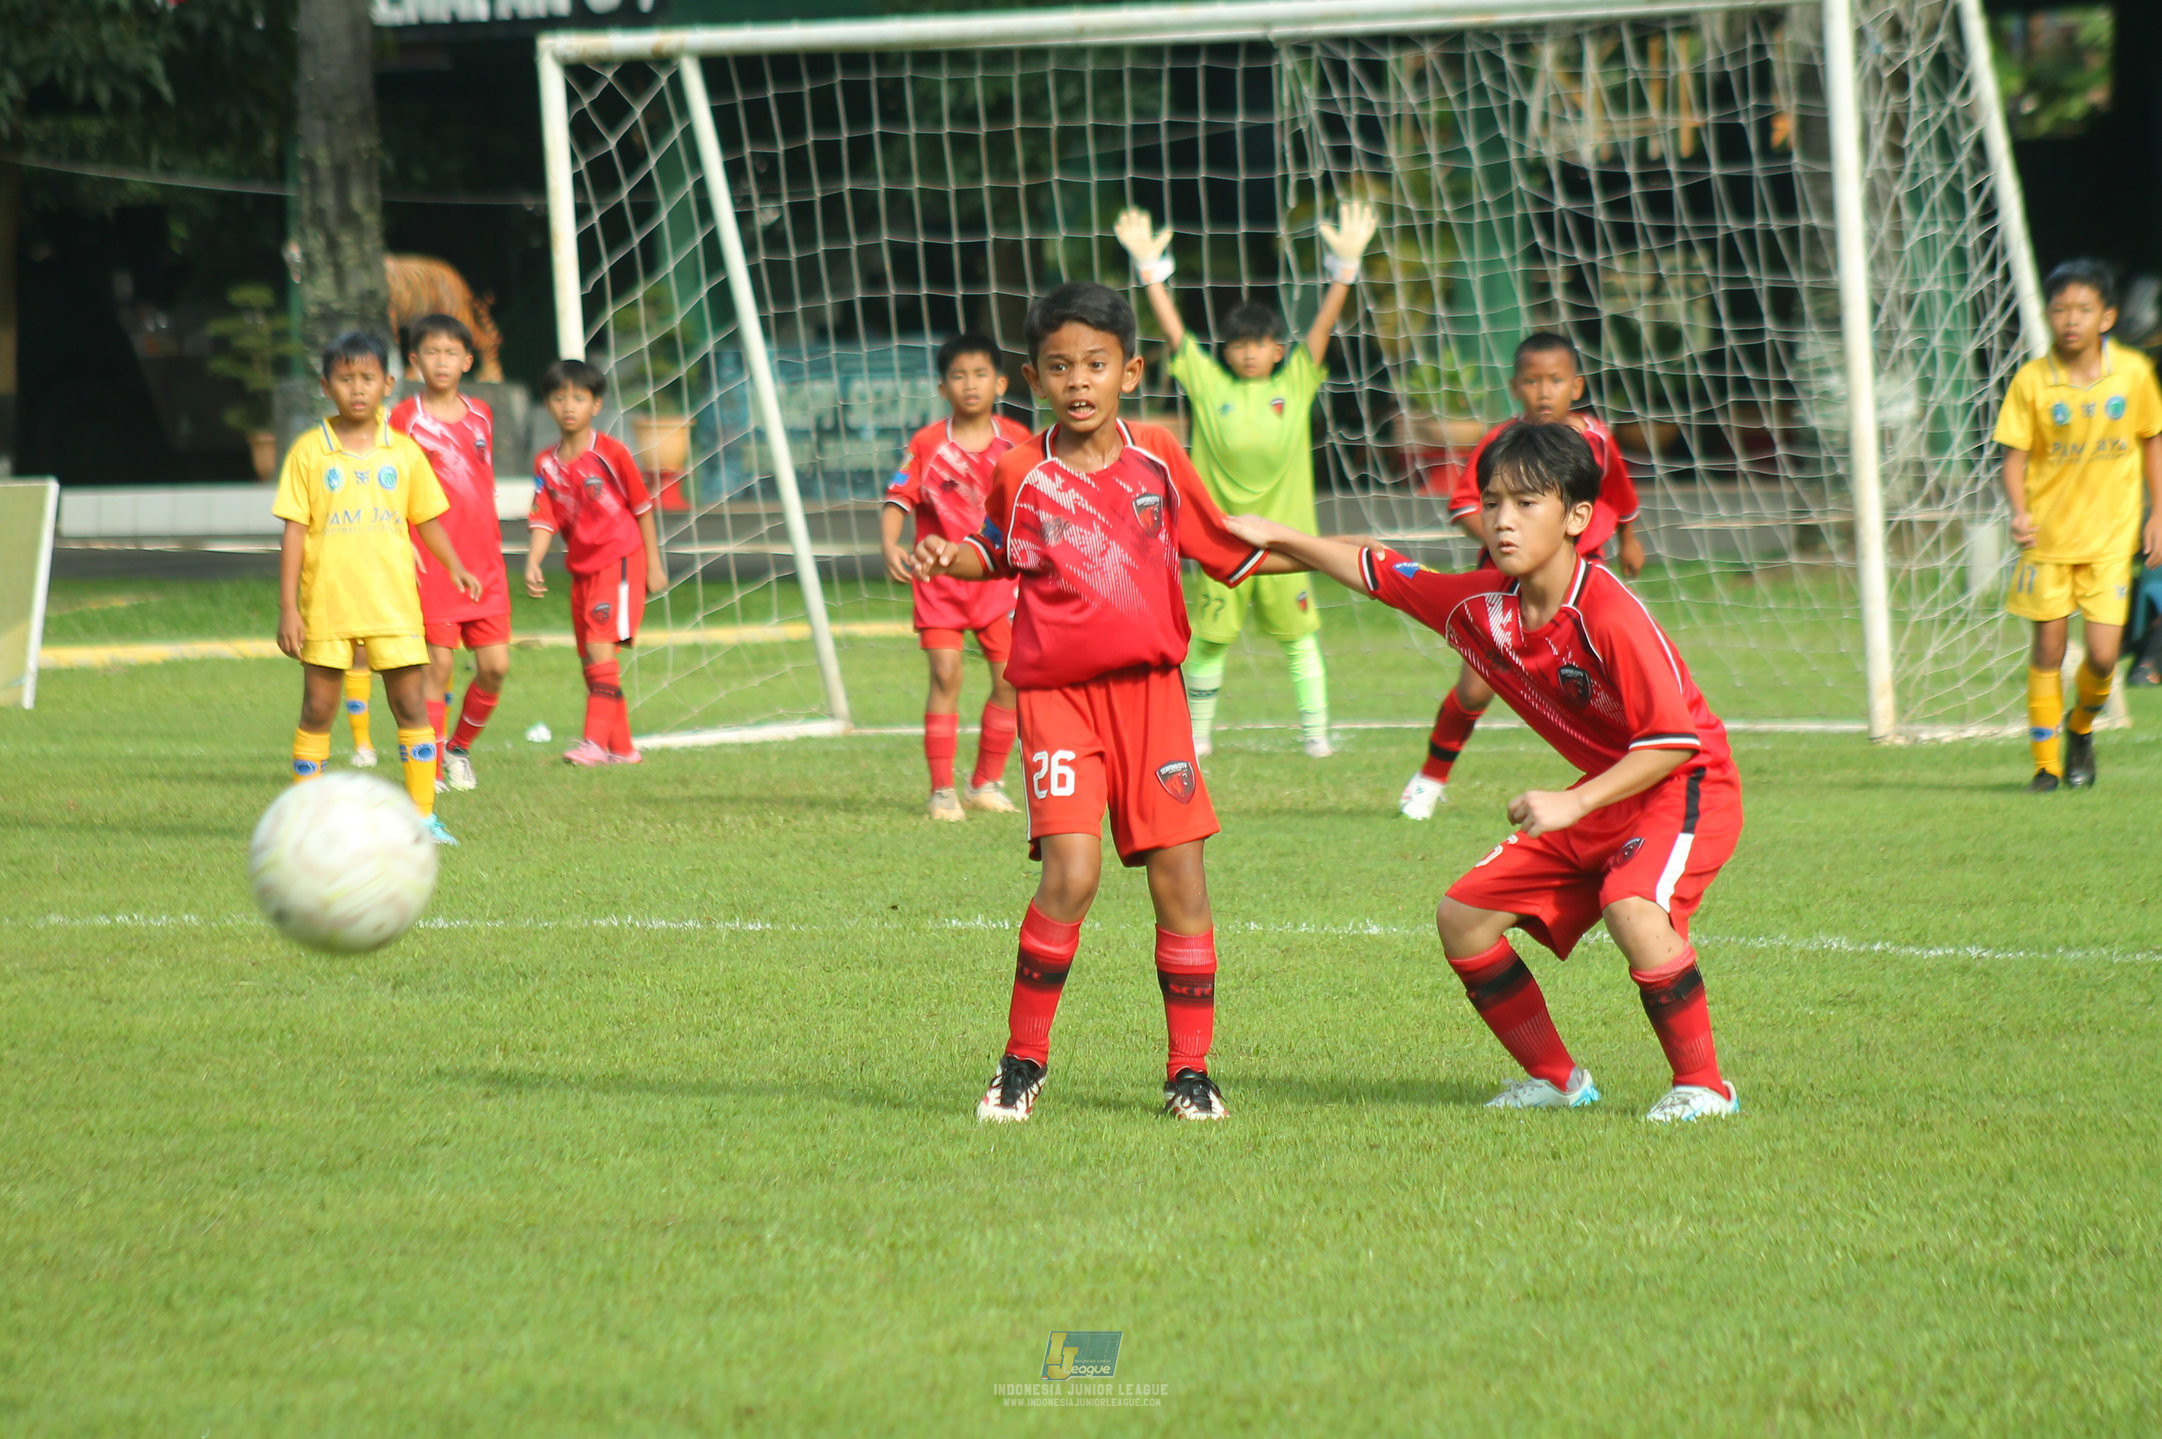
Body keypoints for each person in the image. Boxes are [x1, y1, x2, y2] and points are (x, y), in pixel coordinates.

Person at [1226, 421, 1744, 1122]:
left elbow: (1672, 742)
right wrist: (1276, 538)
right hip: (1602, 793)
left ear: (1578, 518)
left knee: (1633, 906)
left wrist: (1572, 803)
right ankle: (1559, 1079)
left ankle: (1705, 1087)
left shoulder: (1609, 612)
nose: (1503, 519)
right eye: (1494, 500)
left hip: (1685, 787)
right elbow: (1378, 569)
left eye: (1528, 503)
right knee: (1464, 918)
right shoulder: (1481, 605)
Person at [910, 282, 1300, 1124]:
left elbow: (1227, 550)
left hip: (1154, 701)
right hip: (1058, 701)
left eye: (1096, 363)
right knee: (1072, 873)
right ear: (1033, 378)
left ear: (1131, 370)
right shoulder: (1021, 471)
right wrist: (951, 555)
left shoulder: (1158, 456)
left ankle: (1189, 1072)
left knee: (1182, 884)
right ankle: (1021, 1063)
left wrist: (1335, 558)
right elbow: (993, 552)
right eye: (1059, 366)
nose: (1078, 380)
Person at [1114, 200, 1378, 759]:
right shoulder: (1211, 387)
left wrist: (1345, 271)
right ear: (1227, 353)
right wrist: (1150, 272)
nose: (1250, 353)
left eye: (1259, 344)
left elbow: (1323, 329)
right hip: (1223, 541)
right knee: (1209, 643)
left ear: (1277, 350)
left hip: (1288, 539)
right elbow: (1175, 333)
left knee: (1300, 640)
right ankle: (1198, 737)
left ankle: (1315, 737)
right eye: (1239, 345)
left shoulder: (1296, 381)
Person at [1400, 333, 1645, 820]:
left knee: (1604, 687)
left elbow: (1618, 493)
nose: (1544, 391)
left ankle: (1621, 783)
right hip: (1505, 587)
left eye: (1555, 380)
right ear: (1515, 387)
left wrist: (1630, 539)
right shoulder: (1502, 443)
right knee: (1474, 689)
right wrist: (1503, 539)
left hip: (1583, 583)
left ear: (1576, 385)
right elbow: (1466, 503)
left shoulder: (1596, 439)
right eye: (1532, 381)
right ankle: (1430, 778)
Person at [275, 331, 481, 846]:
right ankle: (308, 819)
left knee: (410, 707)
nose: (358, 389)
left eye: (368, 378)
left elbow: (426, 516)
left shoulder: (405, 453)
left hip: (393, 605)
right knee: (318, 710)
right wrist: (288, 610)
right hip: (326, 606)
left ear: (388, 383)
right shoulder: (308, 453)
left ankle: (423, 818)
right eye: (346, 379)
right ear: (326, 386)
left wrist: (454, 565)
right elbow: (294, 532)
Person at [1995, 258, 2162, 791]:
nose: (2071, 320)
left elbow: (2152, 439)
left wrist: (2158, 513)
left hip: (2111, 540)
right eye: (2061, 309)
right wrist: (2019, 511)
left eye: (2083, 309)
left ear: (2107, 317)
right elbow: (2014, 458)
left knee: (2105, 656)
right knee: (2047, 650)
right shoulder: (2032, 381)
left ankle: (2081, 729)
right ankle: (2045, 766)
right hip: (2048, 539)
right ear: (2048, 316)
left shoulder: (2133, 373)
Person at [880, 335, 1035, 820]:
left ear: (1001, 383)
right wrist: (889, 543)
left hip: (999, 582)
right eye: (959, 376)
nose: (971, 385)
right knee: (945, 675)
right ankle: (942, 790)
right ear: (942, 387)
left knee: (1010, 681)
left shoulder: (1018, 439)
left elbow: (1037, 499)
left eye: (981, 374)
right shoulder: (927, 443)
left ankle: (985, 782)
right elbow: (897, 500)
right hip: (940, 584)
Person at [389, 314, 512, 793]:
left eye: (451, 353)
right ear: (416, 361)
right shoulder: (405, 418)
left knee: (495, 667)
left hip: (485, 563)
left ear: (467, 359)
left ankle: (460, 749)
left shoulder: (482, 413)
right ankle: (434, 766)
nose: (442, 362)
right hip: (434, 562)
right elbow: (395, 486)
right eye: (431, 353)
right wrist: (403, 545)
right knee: (436, 667)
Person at [526, 359, 669, 767]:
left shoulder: (611, 453)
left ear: (596, 405)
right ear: (548, 405)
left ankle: (593, 743)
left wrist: (654, 567)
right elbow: (543, 516)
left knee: (600, 648)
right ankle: (622, 749)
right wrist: (535, 561)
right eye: (558, 398)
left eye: (578, 397)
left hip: (621, 559)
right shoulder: (545, 464)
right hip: (582, 568)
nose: (568, 406)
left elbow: (642, 508)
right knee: (591, 657)